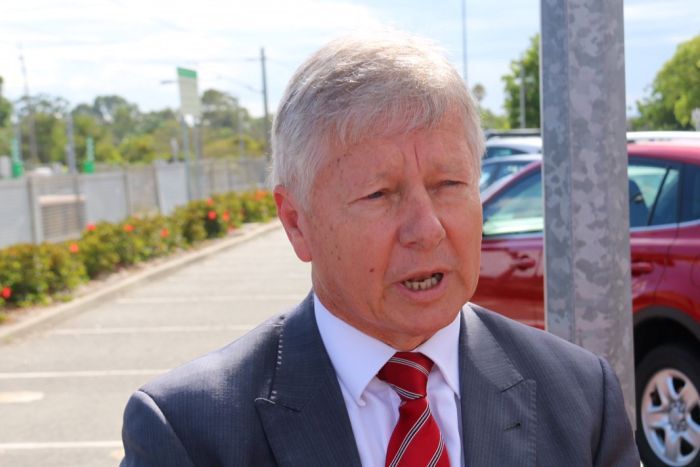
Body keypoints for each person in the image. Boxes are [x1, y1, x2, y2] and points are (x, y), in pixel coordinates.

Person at [120, 31, 640, 466]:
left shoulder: (581, 398)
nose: (427, 228)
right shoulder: (187, 432)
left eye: (449, 184)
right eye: (380, 194)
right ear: (297, 222)